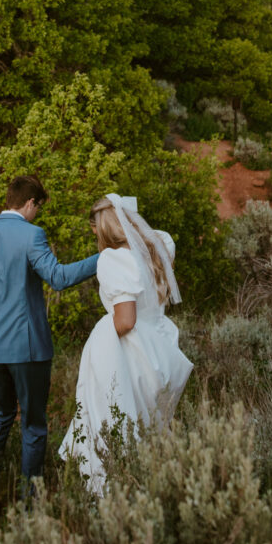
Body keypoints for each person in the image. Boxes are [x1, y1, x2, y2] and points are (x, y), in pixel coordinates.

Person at [0, 174, 99, 512]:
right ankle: (32, 503)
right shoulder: (32, 235)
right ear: (30, 203)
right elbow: (58, 278)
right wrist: (102, 259)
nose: (38, 215)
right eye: (38, 208)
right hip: (27, 348)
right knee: (32, 422)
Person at [59, 192, 193, 494]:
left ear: (101, 228)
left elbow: (126, 319)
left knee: (116, 422)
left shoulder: (112, 259)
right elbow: (156, 236)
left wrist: (100, 336)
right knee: (151, 426)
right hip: (160, 348)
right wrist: (126, 215)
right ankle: (155, 489)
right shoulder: (157, 249)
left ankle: (112, 494)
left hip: (131, 356)